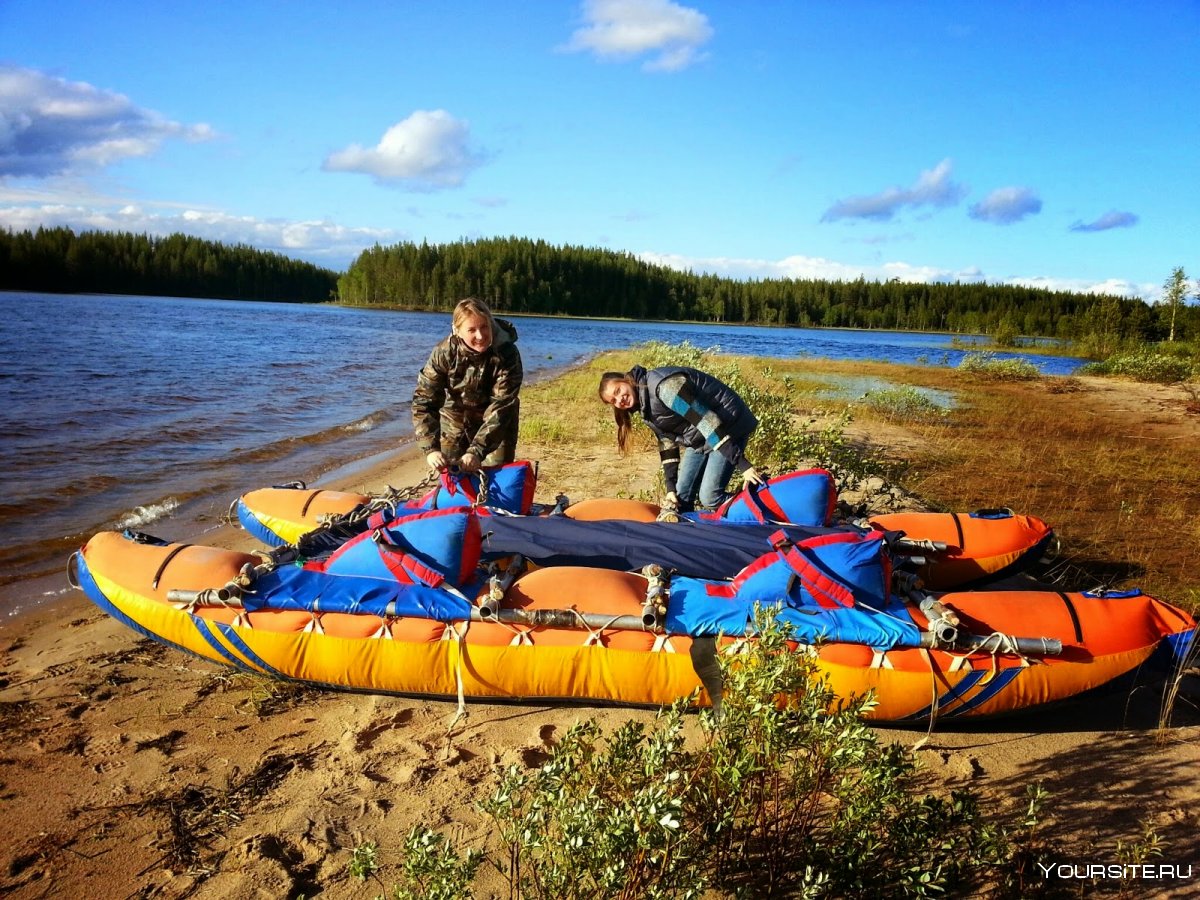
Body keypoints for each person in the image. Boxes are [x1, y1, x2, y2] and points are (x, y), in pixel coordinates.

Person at [598, 365, 765, 513]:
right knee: (681, 498)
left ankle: (763, 502)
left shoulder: (664, 388)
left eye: (618, 391)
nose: (620, 400)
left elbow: (706, 420)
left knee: (710, 497)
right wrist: (670, 488)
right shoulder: (644, 407)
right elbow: (667, 444)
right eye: (613, 401)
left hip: (728, 424)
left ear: (625, 380)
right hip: (701, 437)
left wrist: (743, 466)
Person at [412, 297, 523, 473]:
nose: (480, 335)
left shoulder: (507, 354)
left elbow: (501, 407)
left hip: (497, 425)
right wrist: (430, 449)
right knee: (454, 482)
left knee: (496, 483)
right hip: (454, 420)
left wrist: (476, 452)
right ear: (457, 330)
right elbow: (424, 401)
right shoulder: (444, 353)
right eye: (472, 330)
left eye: (484, 327)